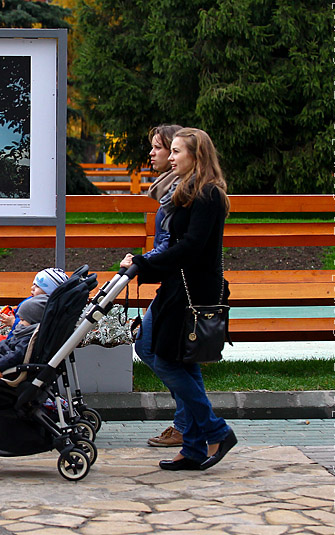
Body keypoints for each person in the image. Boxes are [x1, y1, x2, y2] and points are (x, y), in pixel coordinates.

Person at [121, 127, 236, 471]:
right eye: (169, 152)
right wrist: (148, 265)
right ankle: (194, 448)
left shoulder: (208, 195)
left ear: (196, 156)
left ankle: (215, 430)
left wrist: (145, 263)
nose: (171, 157)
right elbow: (177, 246)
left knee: (168, 360)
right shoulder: (188, 192)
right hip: (178, 286)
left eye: (177, 152)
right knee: (181, 362)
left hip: (192, 291)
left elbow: (190, 248)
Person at [136, 124, 196, 449]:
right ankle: (190, 421)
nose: (154, 153)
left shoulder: (182, 195)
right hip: (172, 286)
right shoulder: (168, 193)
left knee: (159, 353)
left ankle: (192, 422)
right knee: (153, 349)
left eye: (162, 148)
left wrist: (142, 263)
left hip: (182, 288)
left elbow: (174, 245)